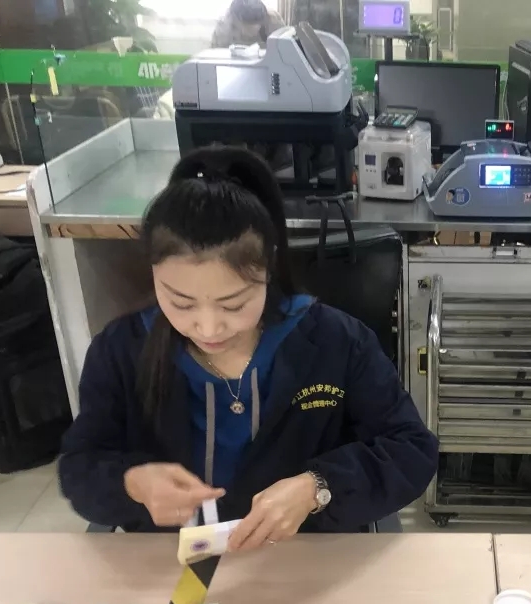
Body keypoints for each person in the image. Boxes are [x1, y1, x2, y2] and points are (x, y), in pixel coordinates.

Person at [59, 146, 438, 547]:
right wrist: (132, 483)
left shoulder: (335, 342)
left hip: (304, 556)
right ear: (153, 274)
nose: (208, 327)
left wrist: (319, 487)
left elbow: (411, 450)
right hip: (172, 558)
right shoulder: (122, 351)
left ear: (268, 269)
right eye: (180, 302)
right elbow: (79, 467)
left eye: (233, 304)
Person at [212, 0, 285, 48]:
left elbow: (284, 50)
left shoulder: (274, 21)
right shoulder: (223, 29)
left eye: (258, 25)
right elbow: (216, 57)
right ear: (236, 21)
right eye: (248, 29)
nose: (253, 32)